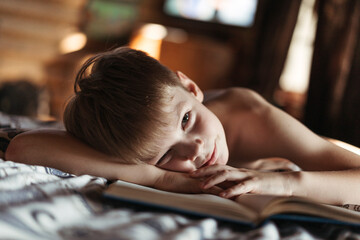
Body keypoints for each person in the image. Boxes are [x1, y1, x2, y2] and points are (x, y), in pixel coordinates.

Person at [5, 47, 360, 205]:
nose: (195, 150)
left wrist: (283, 181)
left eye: (188, 120)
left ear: (191, 88)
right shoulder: (134, 145)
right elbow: (26, 147)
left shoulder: (251, 114)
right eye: (166, 154)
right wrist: (164, 179)